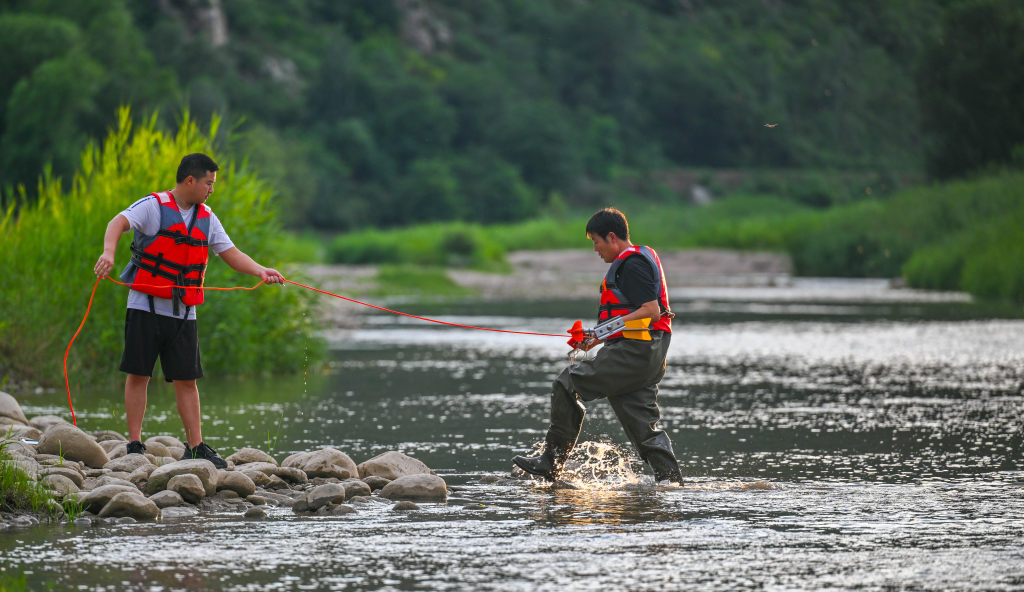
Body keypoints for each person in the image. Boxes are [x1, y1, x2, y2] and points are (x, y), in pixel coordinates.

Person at [93, 153, 284, 469]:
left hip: (184, 312)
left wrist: (261, 270)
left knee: (187, 380)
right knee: (139, 374)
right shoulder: (154, 206)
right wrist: (108, 252)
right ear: (190, 180)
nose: (211, 189)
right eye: (209, 183)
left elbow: (231, 253)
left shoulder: (207, 217)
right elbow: (118, 222)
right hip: (145, 306)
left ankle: (195, 446)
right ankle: (135, 445)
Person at [513, 207, 684, 484]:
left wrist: (599, 332)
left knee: (567, 383)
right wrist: (595, 339)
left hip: (634, 352)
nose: (595, 249)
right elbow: (636, 318)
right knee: (644, 427)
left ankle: (551, 462)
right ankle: (671, 484)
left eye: (596, 241)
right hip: (646, 354)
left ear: (612, 237)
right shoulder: (638, 259)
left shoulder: (633, 264)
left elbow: (651, 310)